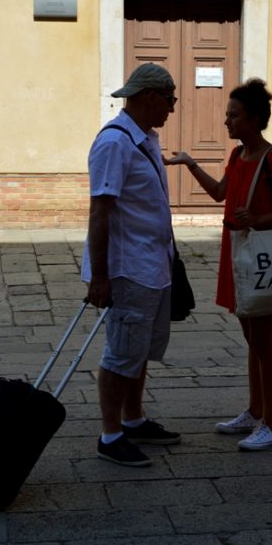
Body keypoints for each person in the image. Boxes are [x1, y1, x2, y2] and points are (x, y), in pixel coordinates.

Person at [166, 78, 272, 450]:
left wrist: (260, 221)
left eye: (233, 115)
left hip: (260, 255)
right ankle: (255, 410)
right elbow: (219, 193)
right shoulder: (237, 156)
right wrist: (190, 164)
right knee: (251, 339)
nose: (226, 122)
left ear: (254, 118)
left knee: (264, 342)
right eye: (227, 115)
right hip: (239, 253)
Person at [81, 63, 182, 467]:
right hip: (127, 268)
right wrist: (101, 276)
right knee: (121, 353)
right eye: (169, 100)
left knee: (138, 351)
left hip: (153, 264)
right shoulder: (114, 143)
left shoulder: (146, 139)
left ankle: (134, 418)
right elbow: (100, 211)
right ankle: (110, 434)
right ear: (148, 98)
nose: (172, 109)